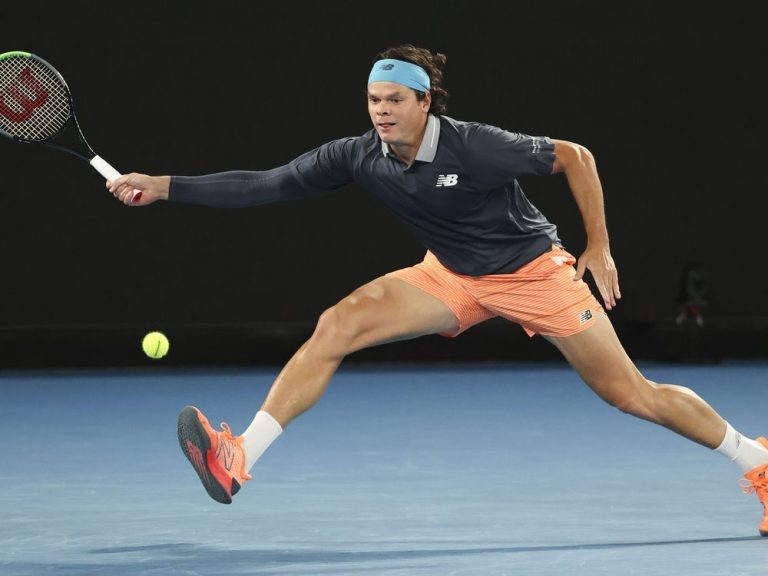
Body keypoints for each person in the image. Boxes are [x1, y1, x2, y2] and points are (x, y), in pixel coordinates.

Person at [108, 44, 768, 534]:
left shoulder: (475, 147)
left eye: (395, 100)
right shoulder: (356, 154)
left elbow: (576, 156)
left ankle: (756, 458)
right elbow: (268, 183)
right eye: (374, 100)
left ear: (425, 103)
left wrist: (597, 246)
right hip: (451, 273)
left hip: (534, 272)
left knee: (632, 395)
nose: (382, 111)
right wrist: (162, 186)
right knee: (338, 324)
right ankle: (237, 456)